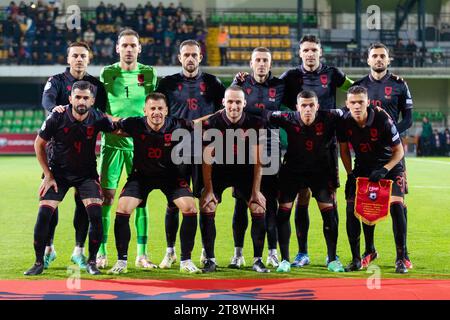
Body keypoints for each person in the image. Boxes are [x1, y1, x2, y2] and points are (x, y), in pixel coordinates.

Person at [24, 81, 116, 276]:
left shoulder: (98, 117)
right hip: (58, 173)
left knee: (96, 215)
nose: (81, 101)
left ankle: (92, 262)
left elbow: (119, 128)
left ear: (92, 101)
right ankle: (39, 262)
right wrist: (48, 175)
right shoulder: (56, 116)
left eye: (85, 98)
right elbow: (38, 144)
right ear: (70, 98)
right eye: (78, 97)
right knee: (44, 214)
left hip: (86, 175)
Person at [249, 90, 344, 272]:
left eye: (311, 105)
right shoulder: (287, 117)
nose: (307, 109)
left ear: (317, 106)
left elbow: (350, 109)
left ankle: (332, 259)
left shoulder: (330, 116)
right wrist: (242, 101)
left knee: (329, 214)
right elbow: (263, 113)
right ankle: (285, 260)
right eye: (304, 106)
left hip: (320, 173)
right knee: (283, 213)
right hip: (292, 172)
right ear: (297, 107)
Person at [107, 93, 202, 275]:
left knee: (190, 208)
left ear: (166, 110)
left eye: (160, 108)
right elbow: (112, 121)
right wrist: (91, 113)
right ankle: (121, 261)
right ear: (145, 110)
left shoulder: (177, 124)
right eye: (152, 108)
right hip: (141, 176)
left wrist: (223, 112)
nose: (156, 112)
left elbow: (199, 124)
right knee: (122, 208)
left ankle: (186, 260)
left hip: (172, 176)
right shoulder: (135, 123)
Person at [280, 34, 353, 268]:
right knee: (302, 197)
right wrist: (241, 81)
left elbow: (355, 88)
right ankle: (302, 253)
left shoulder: (332, 73)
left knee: (329, 200)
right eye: (306, 50)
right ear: (300, 53)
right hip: (299, 147)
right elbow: (268, 88)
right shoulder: (291, 76)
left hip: (327, 146)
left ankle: (333, 255)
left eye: (314, 50)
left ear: (320, 52)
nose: (310, 54)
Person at [155, 39, 225, 269]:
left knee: (206, 202)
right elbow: (157, 111)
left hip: (206, 151)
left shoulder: (213, 83)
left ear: (200, 57)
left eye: (194, 55)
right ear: (180, 57)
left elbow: (225, 110)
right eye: (186, 55)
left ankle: (206, 251)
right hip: (177, 150)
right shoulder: (167, 83)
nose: (190, 59)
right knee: (173, 203)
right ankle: (171, 251)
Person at [40, 41, 107, 270]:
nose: (79, 59)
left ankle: (79, 250)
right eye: (75, 55)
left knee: (84, 204)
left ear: (89, 59)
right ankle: (48, 248)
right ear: (68, 59)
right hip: (57, 153)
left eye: (83, 56)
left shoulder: (97, 85)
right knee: (52, 204)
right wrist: (54, 112)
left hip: (85, 154)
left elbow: (103, 113)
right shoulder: (56, 81)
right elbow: (47, 101)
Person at [97, 28, 158, 270]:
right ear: (117, 48)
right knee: (107, 198)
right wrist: (116, 124)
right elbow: (100, 107)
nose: (129, 49)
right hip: (112, 144)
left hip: (140, 146)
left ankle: (141, 254)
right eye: (125, 46)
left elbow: (152, 106)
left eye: (133, 45)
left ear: (139, 49)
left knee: (140, 199)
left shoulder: (148, 73)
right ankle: (101, 252)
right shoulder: (107, 72)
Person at [352, 42, 414, 269]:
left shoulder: (400, 85)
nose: (378, 59)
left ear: (388, 60)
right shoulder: (359, 86)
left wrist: (390, 133)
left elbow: (408, 119)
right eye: (374, 56)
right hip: (367, 157)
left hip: (393, 154)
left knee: (397, 204)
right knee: (368, 204)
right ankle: (370, 250)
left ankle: (402, 256)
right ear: (368, 60)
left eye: (382, 56)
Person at [338, 85, 408, 274]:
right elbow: (343, 149)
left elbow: (399, 151)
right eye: (353, 102)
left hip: (390, 166)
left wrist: (385, 169)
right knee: (352, 208)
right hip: (363, 167)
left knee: (396, 206)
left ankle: (401, 258)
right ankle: (357, 258)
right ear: (347, 104)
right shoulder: (344, 121)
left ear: (368, 102)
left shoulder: (382, 118)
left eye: (361, 102)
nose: (357, 106)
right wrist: (350, 173)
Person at [200, 86, 267, 273]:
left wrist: (256, 192)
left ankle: (257, 260)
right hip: (220, 171)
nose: (234, 106)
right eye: (230, 101)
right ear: (223, 103)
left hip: (245, 171)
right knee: (207, 205)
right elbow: (207, 159)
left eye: (238, 102)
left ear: (244, 103)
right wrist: (209, 189)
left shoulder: (256, 123)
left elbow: (258, 160)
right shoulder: (212, 122)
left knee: (258, 206)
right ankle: (210, 260)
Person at [230, 47, 285, 269]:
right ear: (251, 63)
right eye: (257, 60)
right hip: (242, 148)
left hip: (270, 146)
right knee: (241, 203)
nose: (261, 64)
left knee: (270, 201)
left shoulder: (281, 86)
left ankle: (272, 252)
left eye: (265, 60)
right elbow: (227, 105)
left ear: (270, 64)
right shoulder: (241, 85)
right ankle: (238, 253)